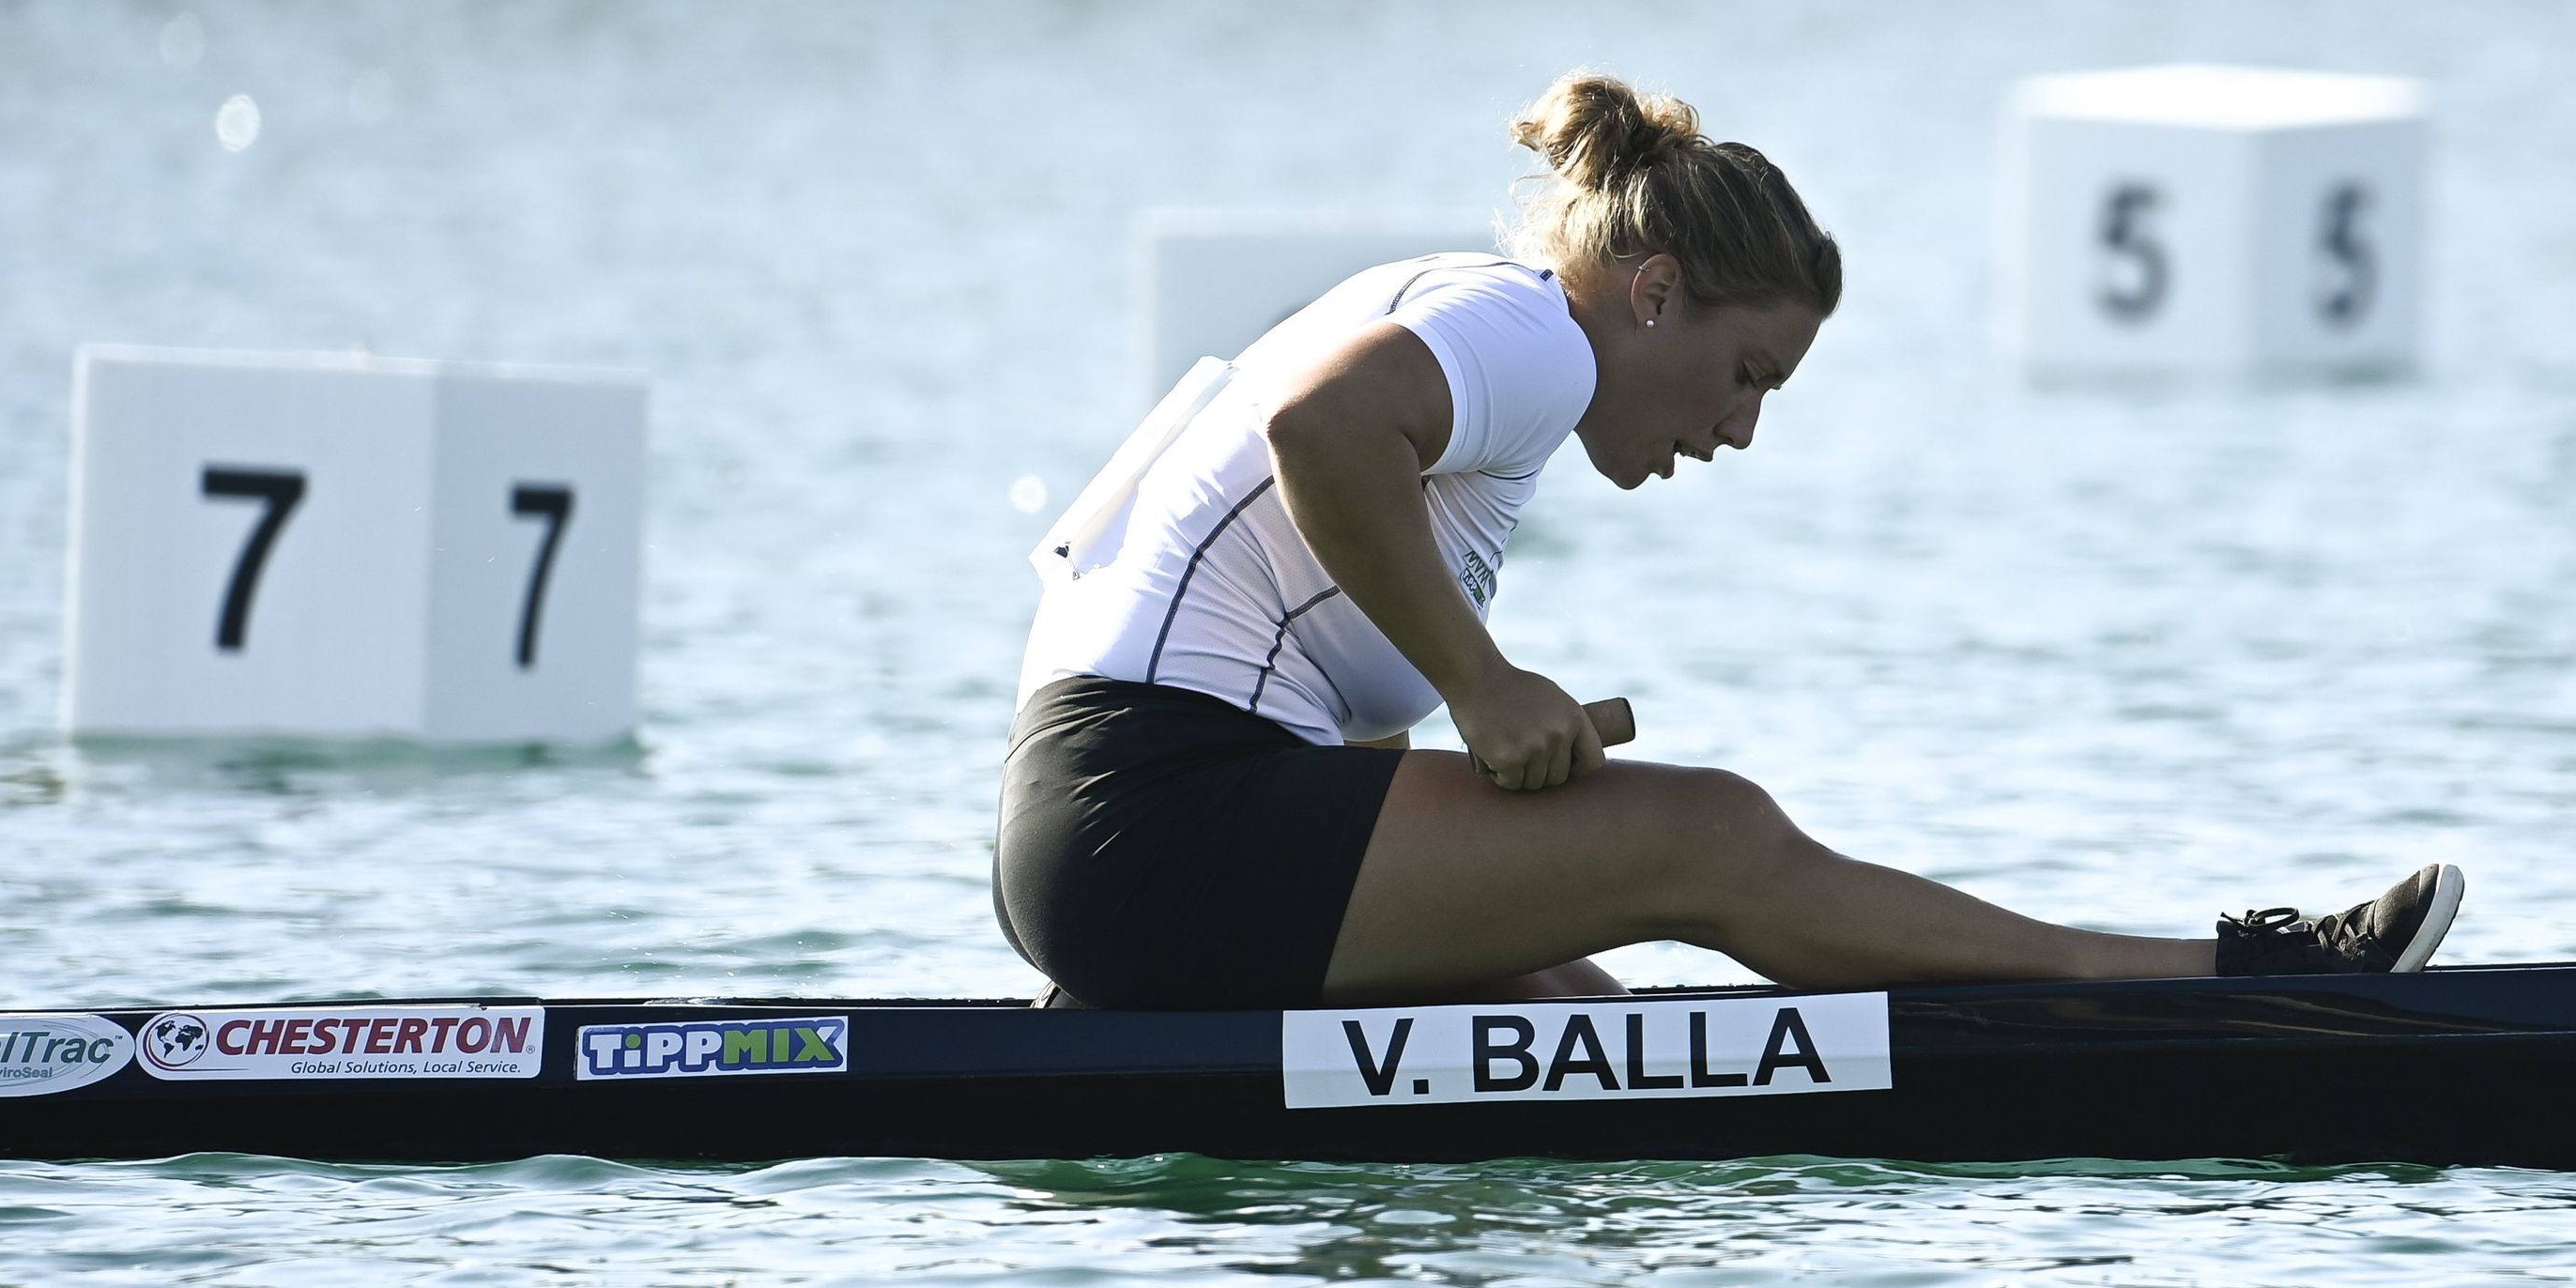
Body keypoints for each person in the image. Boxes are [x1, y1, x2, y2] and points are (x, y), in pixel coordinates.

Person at [994, 70, 2461, 1010]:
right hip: (1149, 820)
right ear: (1653, 293)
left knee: (1583, 1017)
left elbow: (1303, 679)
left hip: (1124, 841)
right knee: (1716, 833)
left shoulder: (1470, 335)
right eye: (1749, 372)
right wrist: (1490, 687)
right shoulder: (1531, 334)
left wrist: (1560, 970)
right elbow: (1316, 434)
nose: (1744, 427)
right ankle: (2206, 986)